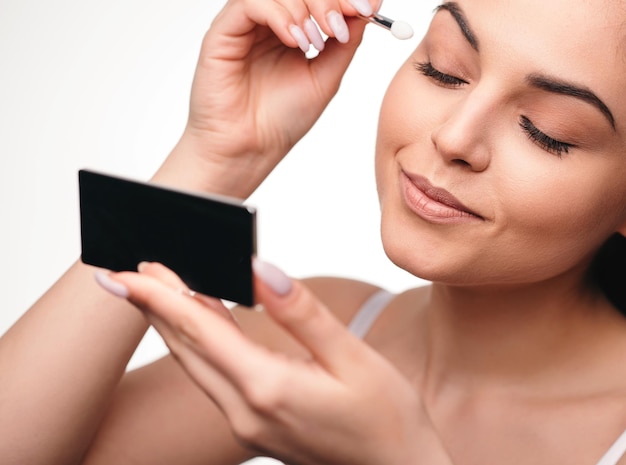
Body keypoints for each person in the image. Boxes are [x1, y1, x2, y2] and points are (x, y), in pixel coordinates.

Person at [2, 0, 626, 464]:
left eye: (548, 131)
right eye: (445, 69)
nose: (454, 138)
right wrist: (217, 157)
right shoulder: (324, 327)